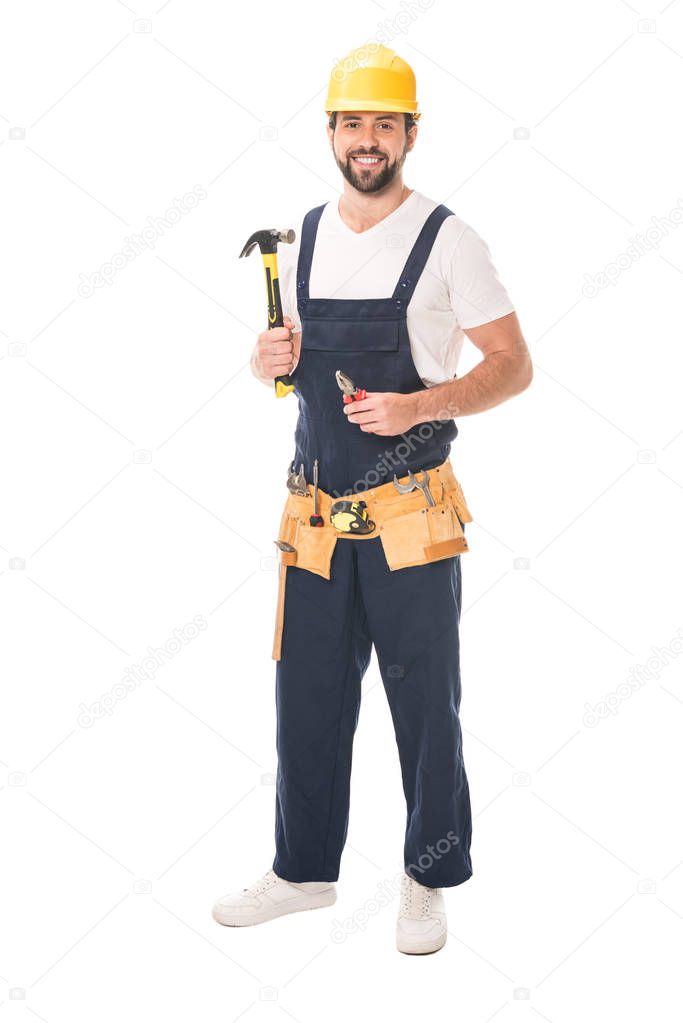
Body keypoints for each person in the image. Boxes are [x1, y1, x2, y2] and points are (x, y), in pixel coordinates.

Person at [213, 43, 532, 955]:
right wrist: (264, 359)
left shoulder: (448, 241)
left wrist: (419, 405)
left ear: (409, 133)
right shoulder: (302, 234)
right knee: (305, 698)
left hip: (411, 517)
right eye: (352, 122)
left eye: (383, 123)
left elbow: (513, 366)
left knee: (425, 705)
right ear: (330, 131)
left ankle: (427, 878)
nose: (366, 139)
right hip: (313, 520)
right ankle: (302, 870)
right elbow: (285, 370)